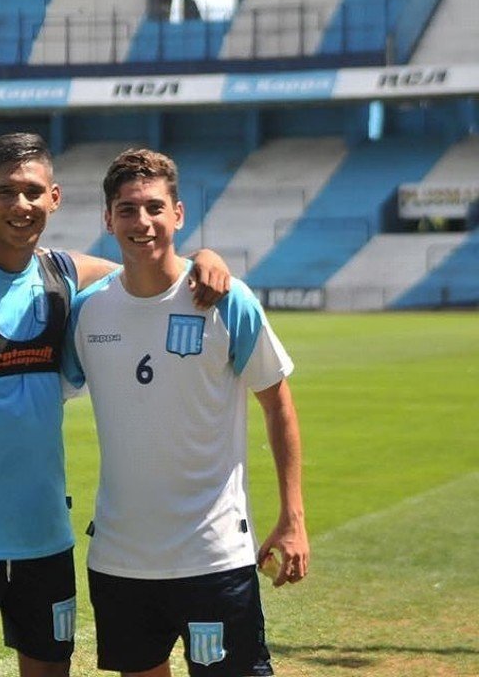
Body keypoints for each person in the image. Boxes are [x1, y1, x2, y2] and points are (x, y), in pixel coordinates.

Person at [0, 133, 231, 677]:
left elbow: (148, 267)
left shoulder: (65, 275)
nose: (21, 205)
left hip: (45, 538)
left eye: (33, 192)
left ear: (55, 198)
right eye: (6, 192)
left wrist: (205, 256)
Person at [62, 148, 310, 677]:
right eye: (127, 209)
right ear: (108, 219)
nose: (142, 221)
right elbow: (38, 398)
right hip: (120, 558)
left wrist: (293, 517)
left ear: (178, 214)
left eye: (154, 207)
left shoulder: (227, 300)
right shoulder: (87, 312)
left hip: (214, 556)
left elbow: (279, 406)